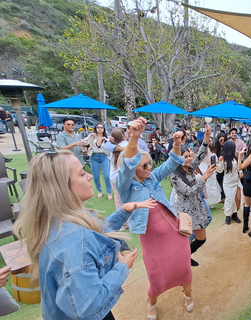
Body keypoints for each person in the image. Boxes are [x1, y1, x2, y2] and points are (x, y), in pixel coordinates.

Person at [13, 150, 154, 320]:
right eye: (81, 173)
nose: (89, 176)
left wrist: (122, 212)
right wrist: (121, 267)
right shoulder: (73, 243)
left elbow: (93, 232)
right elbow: (89, 305)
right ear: (62, 187)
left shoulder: (58, 222)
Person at [116, 118, 194, 319]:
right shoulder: (126, 186)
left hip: (174, 232)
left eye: (149, 163)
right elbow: (126, 166)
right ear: (134, 168)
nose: (149, 167)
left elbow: (169, 164)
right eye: (144, 165)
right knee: (157, 277)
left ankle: (188, 294)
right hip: (152, 239)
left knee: (184, 267)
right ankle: (151, 301)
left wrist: (176, 144)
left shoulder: (152, 177)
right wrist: (134, 137)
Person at [171, 125, 216, 266]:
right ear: (178, 159)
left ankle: (185, 256)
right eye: (186, 157)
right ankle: (181, 261)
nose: (190, 158)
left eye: (190, 155)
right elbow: (190, 192)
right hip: (184, 211)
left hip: (196, 208)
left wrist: (207, 135)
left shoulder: (190, 167)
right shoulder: (174, 175)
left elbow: (202, 153)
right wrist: (205, 177)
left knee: (201, 239)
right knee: (184, 240)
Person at [83, 124, 112, 200]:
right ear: (95, 128)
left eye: (101, 127)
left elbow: (112, 143)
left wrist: (106, 140)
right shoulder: (92, 137)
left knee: (106, 176)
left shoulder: (106, 137)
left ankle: (109, 192)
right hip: (94, 156)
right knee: (95, 176)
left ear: (103, 129)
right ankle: (99, 191)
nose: (100, 129)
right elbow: (84, 142)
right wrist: (89, 136)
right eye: (98, 127)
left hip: (104, 156)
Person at [216, 140, 242, 225]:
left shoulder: (235, 158)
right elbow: (219, 171)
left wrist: (241, 172)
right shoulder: (223, 159)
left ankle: (234, 215)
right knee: (230, 199)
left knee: (236, 199)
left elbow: (239, 167)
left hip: (236, 182)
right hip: (228, 183)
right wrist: (220, 162)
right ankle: (228, 215)